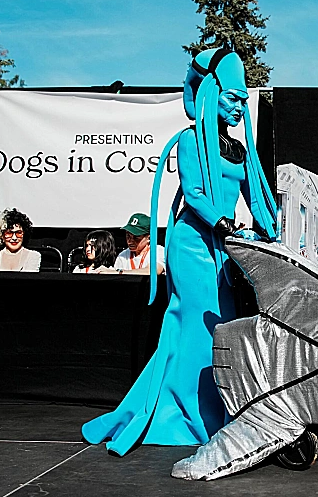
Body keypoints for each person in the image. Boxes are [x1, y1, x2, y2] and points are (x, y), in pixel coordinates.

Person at [82, 47, 278, 455]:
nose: (241, 105)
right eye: (232, 97)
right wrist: (225, 224)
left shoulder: (240, 151)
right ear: (210, 94)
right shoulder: (191, 141)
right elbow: (195, 193)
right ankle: (190, 415)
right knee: (198, 325)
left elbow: (255, 199)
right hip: (193, 244)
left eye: (244, 98)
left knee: (223, 324)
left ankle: (217, 408)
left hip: (226, 249)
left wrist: (271, 228)